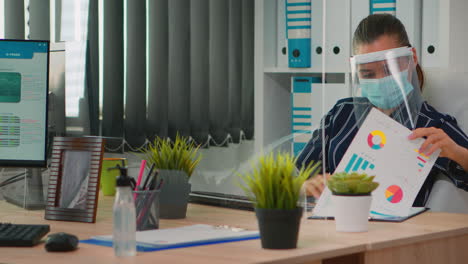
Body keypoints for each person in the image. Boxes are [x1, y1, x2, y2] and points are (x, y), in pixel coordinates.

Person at [296, 14, 468, 207]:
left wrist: (457, 153)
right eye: (367, 73)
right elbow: (295, 175)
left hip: (401, 231)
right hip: (336, 225)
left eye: (389, 69)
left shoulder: (433, 126)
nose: (379, 80)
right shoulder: (341, 113)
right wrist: (304, 187)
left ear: (412, 59)